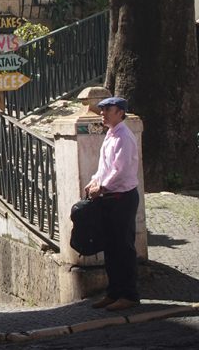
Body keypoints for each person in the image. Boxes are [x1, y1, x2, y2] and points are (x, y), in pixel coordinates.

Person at [84, 96, 140, 312]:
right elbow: (105, 166)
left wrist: (103, 187)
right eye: (102, 109)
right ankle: (114, 292)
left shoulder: (124, 137)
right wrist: (95, 180)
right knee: (111, 247)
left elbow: (121, 170)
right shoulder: (111, 134)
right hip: (110, 197)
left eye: (108, 109)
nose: (103, 113)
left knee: (123, 247)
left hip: (122, 198)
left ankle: (129, 295)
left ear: (120, 112)